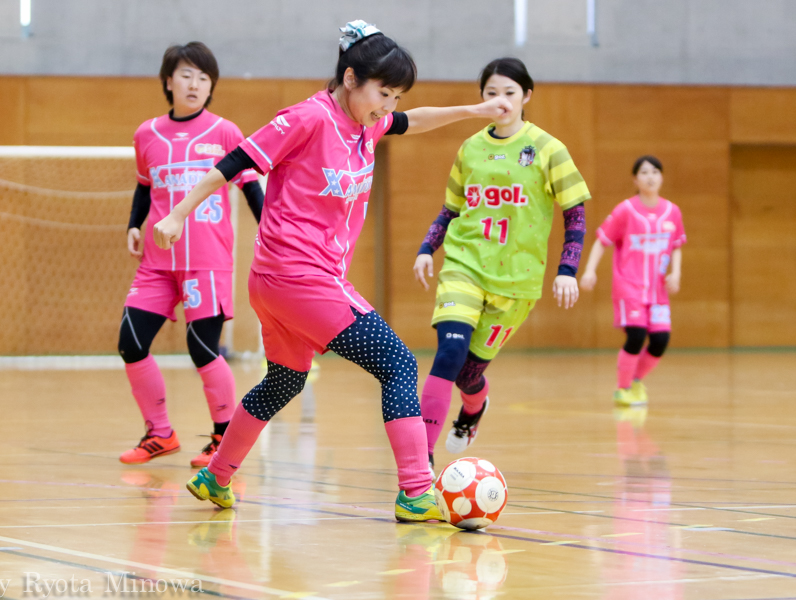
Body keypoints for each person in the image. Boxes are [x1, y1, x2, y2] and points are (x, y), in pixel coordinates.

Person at [153, 21, 512, 522]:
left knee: (284, 381)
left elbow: (413, 120)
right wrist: (176, 214)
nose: (388, 105)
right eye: (383, 93)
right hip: (299, 277)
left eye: (396, 96)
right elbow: (235, 161)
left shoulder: (369, 123)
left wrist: (472, 111)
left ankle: (216, 476)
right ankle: (415, 491)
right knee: (398, 364)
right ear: (349, 78)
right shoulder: (308, 118)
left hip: (280, 283)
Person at [413, 58, 591, 474]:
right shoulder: (470, 149)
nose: (501, 101)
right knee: (449, 353)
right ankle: (422, 458)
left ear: (526, 96)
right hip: (464, 265)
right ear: (482, 98)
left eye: (510, 92)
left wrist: (567, 270)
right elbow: (451, 209)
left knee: (468, 374)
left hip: (516, 281)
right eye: (492, 93)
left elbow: (575, 214)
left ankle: (473, 409)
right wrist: (427, 248)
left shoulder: (549, 149)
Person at [118, 42, 264, 467]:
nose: (195, 84)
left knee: (202, 348)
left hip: (207, 261)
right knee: (131, 342)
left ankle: (223, 438)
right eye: (186, 75)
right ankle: (160, 434)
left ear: (211, 87)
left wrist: (272, 233)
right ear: (169, 81)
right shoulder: (146, 134)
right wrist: (134, 224)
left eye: (203, 77)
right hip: (157, 263)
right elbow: (144, 186)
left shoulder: (226, 132)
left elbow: (251, 187)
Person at [580, 155, 686, 405]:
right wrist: (589, 271)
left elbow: (677, 245)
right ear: (635, 179)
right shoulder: (625, 210)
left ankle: (635, 380)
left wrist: (676, 272)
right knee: (636, 335)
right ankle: (623, 389)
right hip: (629, 287)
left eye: (655, 172)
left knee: (660, 340)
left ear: (661, 177)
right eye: (644, 172)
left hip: (658, 291)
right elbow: (602, 240)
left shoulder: (672, 211)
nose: (650, 177)